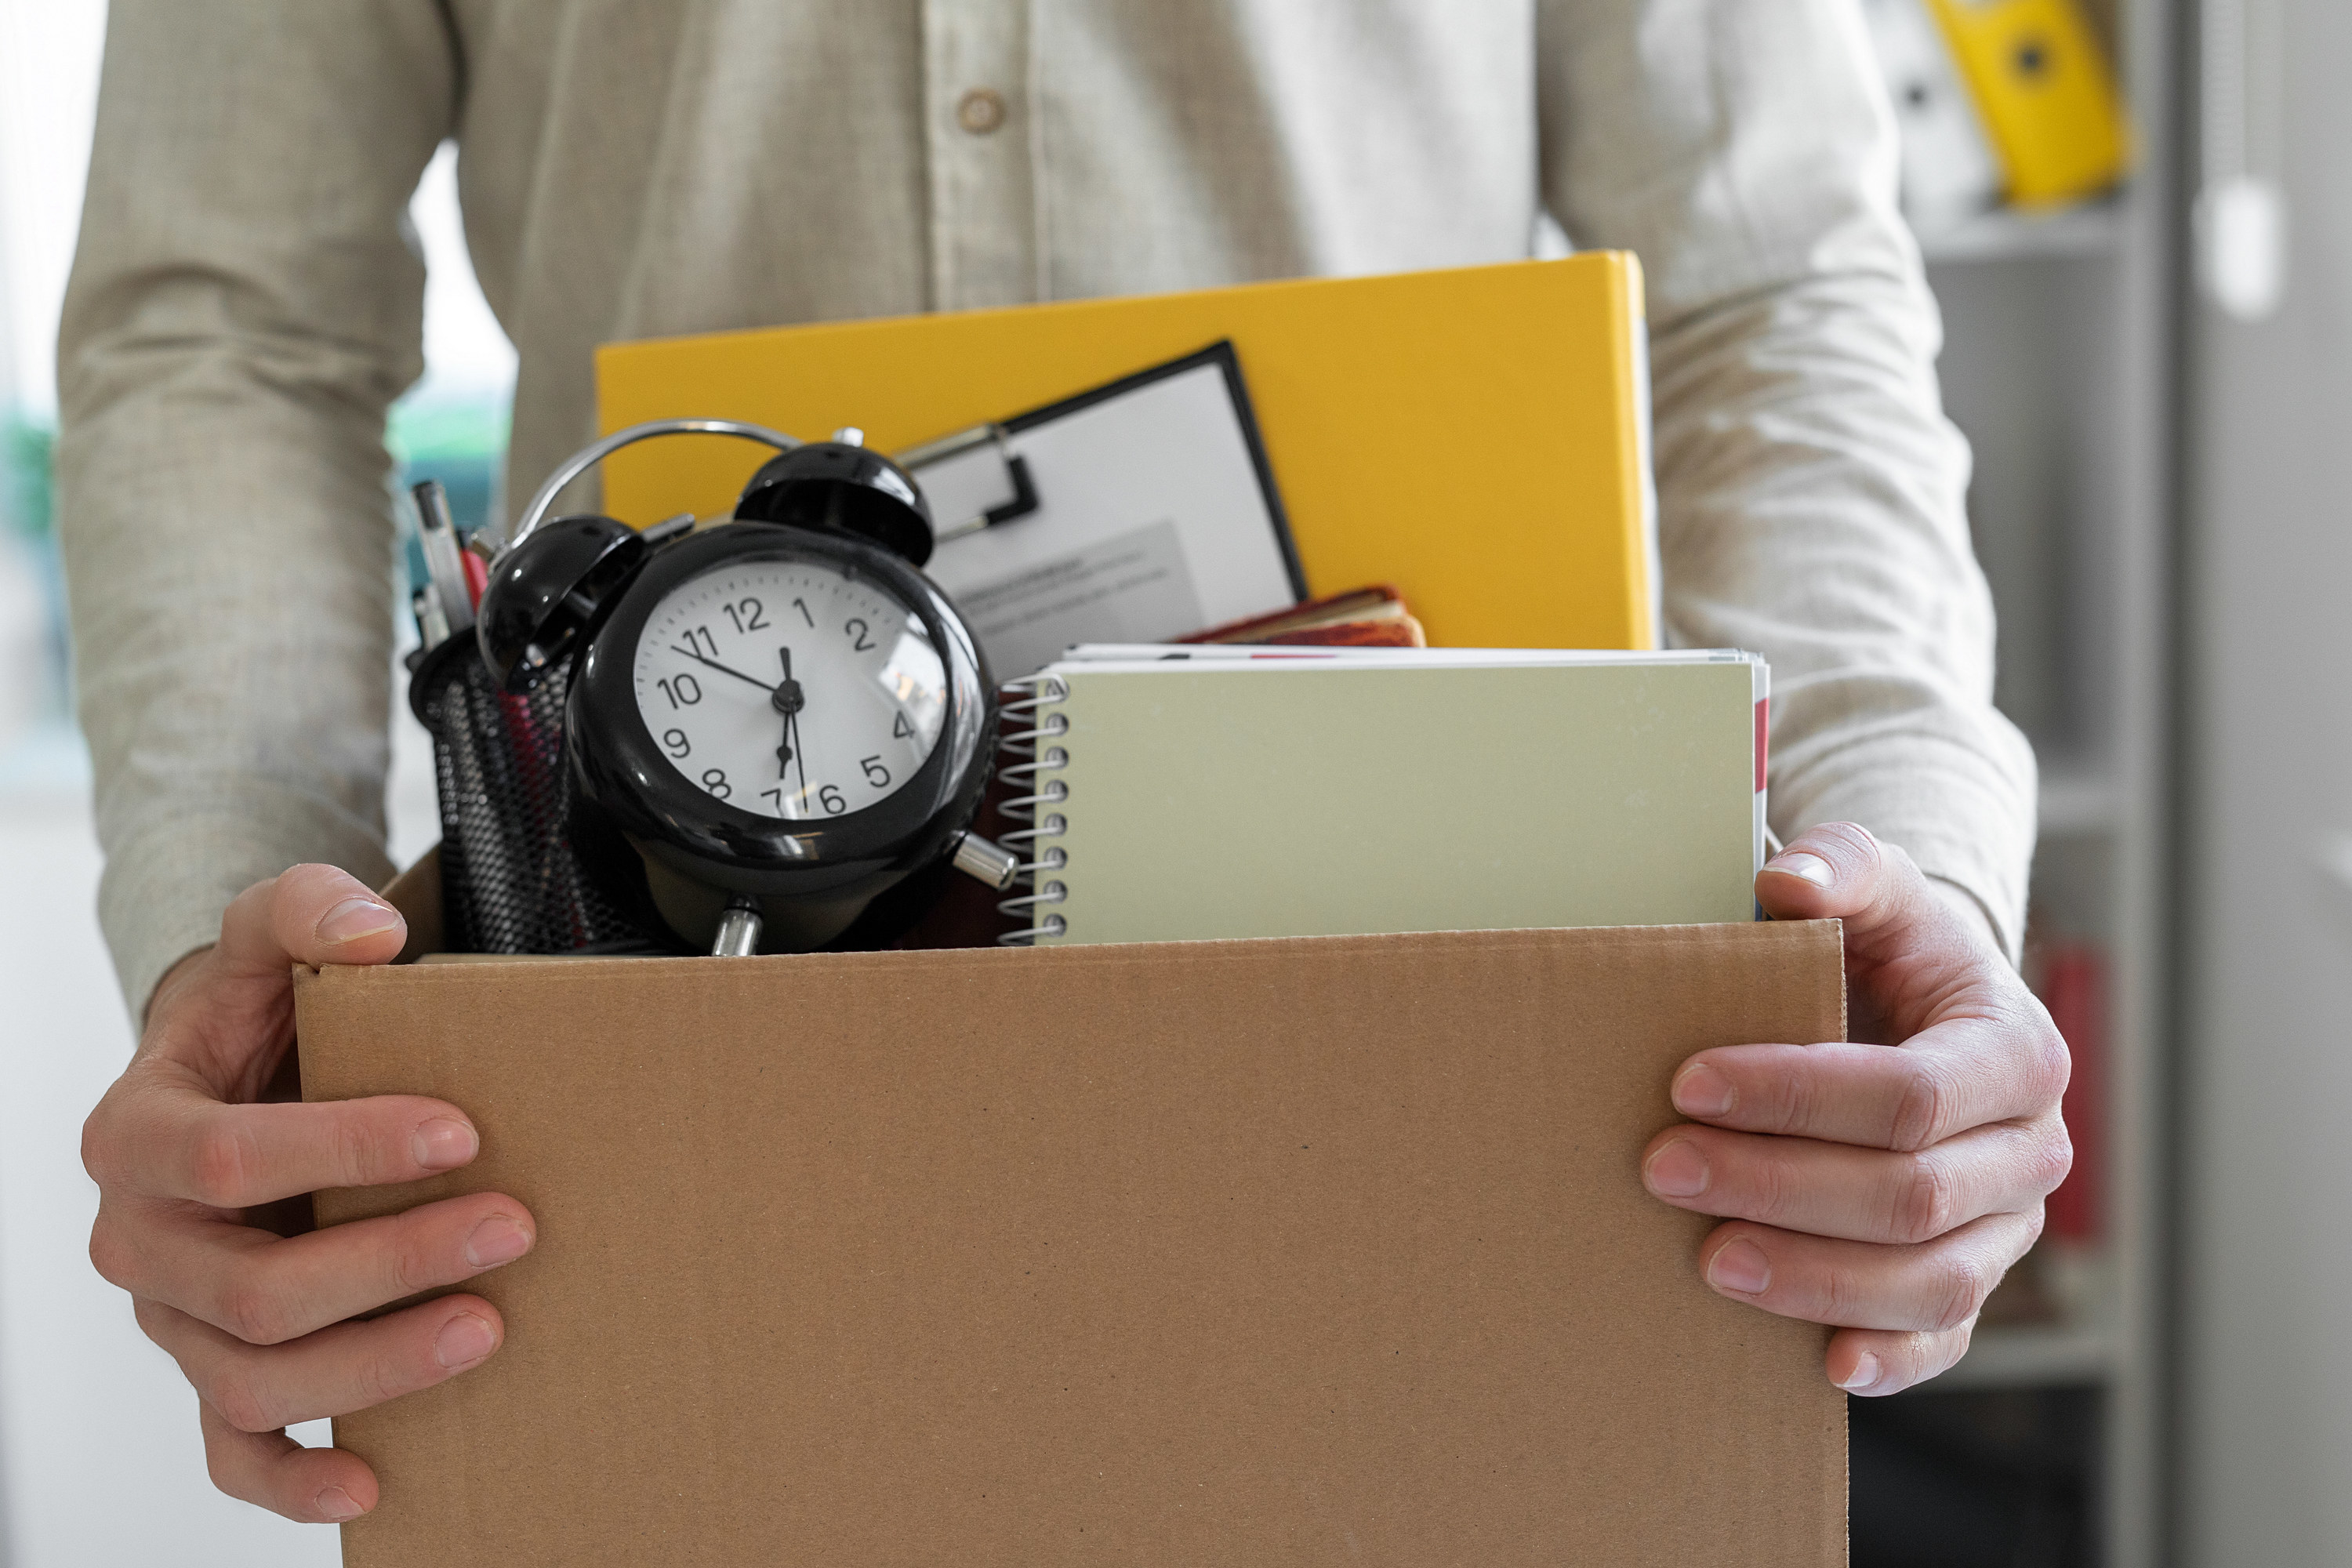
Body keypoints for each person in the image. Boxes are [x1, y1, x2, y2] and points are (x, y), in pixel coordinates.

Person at [59, 0, 2063, 1526]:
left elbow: (1772, 283)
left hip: (1436, 1080)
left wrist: (1911, 874)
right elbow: (227, 323)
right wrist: (236, 957)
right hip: (666, 1065)